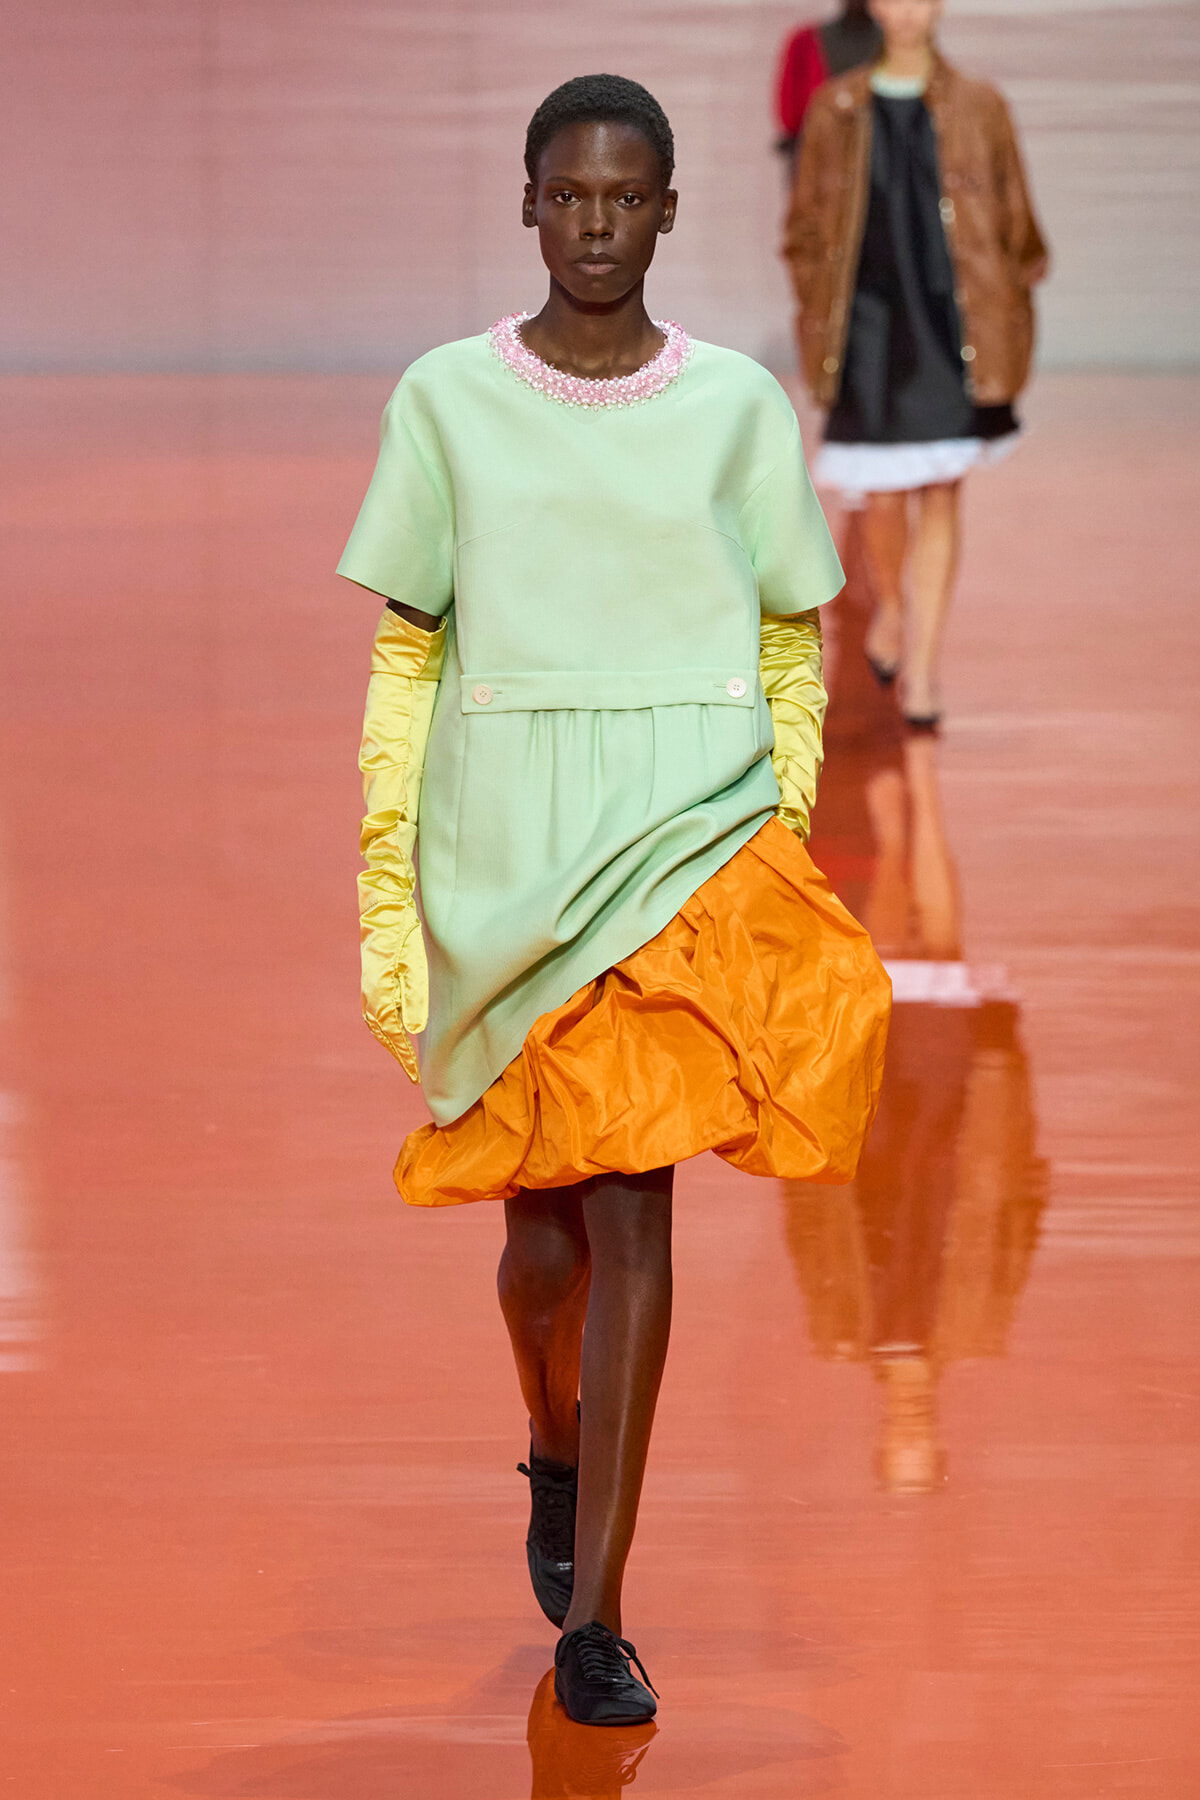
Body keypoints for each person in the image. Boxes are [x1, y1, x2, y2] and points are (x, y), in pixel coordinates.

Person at [338, 73, 891, 1727]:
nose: (594, 224)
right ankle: (553, 1443)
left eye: (624, 197)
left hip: (679, 822)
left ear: (667, 210)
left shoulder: (733, 410)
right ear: (529, 206)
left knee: (638, 1204)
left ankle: (600, 1620)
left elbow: (791, 629)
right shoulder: (445, 399)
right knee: (537, 1236)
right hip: (504, 842)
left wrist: (769, 823)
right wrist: (389, 874)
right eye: (567, 196)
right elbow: (410, 650)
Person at [783, 0, 1048, 726]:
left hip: (950, 324)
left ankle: (925, 673)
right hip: (866, 326)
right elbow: (805, 227)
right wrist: (817, 309)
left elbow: (1016, 222)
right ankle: (891, 609)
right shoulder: (834, 106)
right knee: (882, 499)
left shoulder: (981, 105)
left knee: (941, 492)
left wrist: (1010, 311)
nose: (907, 11)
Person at [775, 0, 883, 162]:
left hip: (876, 154)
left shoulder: (893, 43)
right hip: (818, 154)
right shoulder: (805, 41)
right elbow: (790, 107)